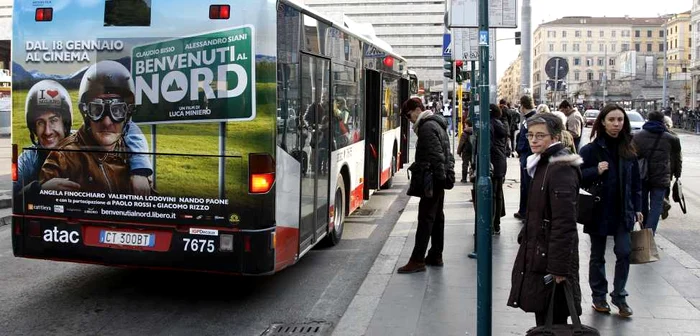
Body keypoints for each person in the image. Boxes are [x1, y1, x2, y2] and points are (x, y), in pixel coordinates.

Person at [16, 79, 152, 197]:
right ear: (33, 126)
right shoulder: (28, 159)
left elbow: (126, 125)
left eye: (53, 120)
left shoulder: (82, 141)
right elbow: (13, 196)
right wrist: (39, 190)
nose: (47, 131)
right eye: (40, 123)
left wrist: (139, 168)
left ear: (65, 123)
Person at [508, 113, 582, 326]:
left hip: (551, 258)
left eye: (540, 135)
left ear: (555, 137)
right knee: (544, 312)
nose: (533, 140)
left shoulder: (560, 168)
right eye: (530, 135)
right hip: (541, 252)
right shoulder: (543, 163)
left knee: (553, 316)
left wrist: (559, 268)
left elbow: (564, 222)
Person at [579, 103, 642, 318]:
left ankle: (619, 295)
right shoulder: (591, 150)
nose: (616, 124)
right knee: (597, 255)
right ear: (603, 123)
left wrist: (638, 208)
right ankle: (599, 295)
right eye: (612, 120)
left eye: (620, 120)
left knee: (624, 252)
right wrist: (595, 170)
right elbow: (577, 176)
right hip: (598, 209)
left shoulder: (629, 149)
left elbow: (636, 183)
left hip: (623, 210)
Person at [397, 97, 454, 273]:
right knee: (437, 218)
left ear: (416, 109)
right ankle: (436, 255)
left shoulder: (427, 127)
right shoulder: (437, 123)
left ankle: (417, 259)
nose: (409, 119)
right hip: (439, 178)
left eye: (408, 115)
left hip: (433, 181)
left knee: (425, 218)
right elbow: (446, 154)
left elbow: (437, 156)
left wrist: (439, 179)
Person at [632, 111, 682, 234]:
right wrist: (677, 174)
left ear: (648, 119)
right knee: (656, 207)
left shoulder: (637, 136)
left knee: (642, 205)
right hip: (661, 176)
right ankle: (649, 234)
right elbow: (677, 158)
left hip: (642, 176)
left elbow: (632, 157)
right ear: (662, 121)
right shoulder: (672, 138)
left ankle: (644, 232)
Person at [515, 95, 537, 220]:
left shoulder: (532, 119)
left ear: (523, 106)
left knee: (528, 185)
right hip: (525, 155)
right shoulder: (528, 119)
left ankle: (527, 213)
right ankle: (523, 210)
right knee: (524, 185)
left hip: (528, 156)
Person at [490, 104, 508, 234]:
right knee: (498, 194)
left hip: (493, 162)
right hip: (501, 162)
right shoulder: (501, 125)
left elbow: (488, 146)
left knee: (493, 195)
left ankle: (491, 223)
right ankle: (497, 224)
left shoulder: (489, 125)